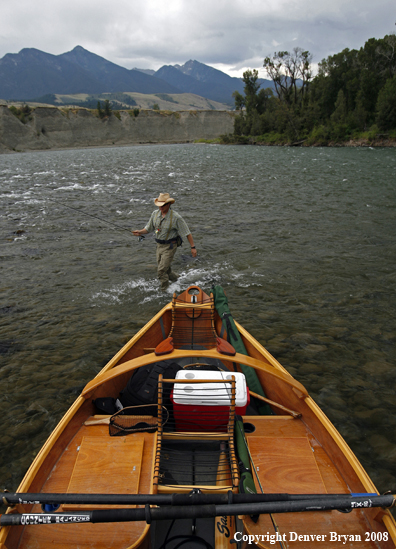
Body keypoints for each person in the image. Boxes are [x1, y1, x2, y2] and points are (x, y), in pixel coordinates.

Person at [133, 192, 197, 290]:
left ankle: (165, 291)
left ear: (169, 204)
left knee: (161, 271)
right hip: (159, 246)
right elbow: (148, 228)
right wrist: (140, 232)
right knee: (166, 270)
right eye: (159, 205)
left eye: (163, 205)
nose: (161, 207)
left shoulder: (176, 217)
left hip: (170, 246)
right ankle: (179, 279)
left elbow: (187, 233)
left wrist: (193, 247)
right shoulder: (155, 214)